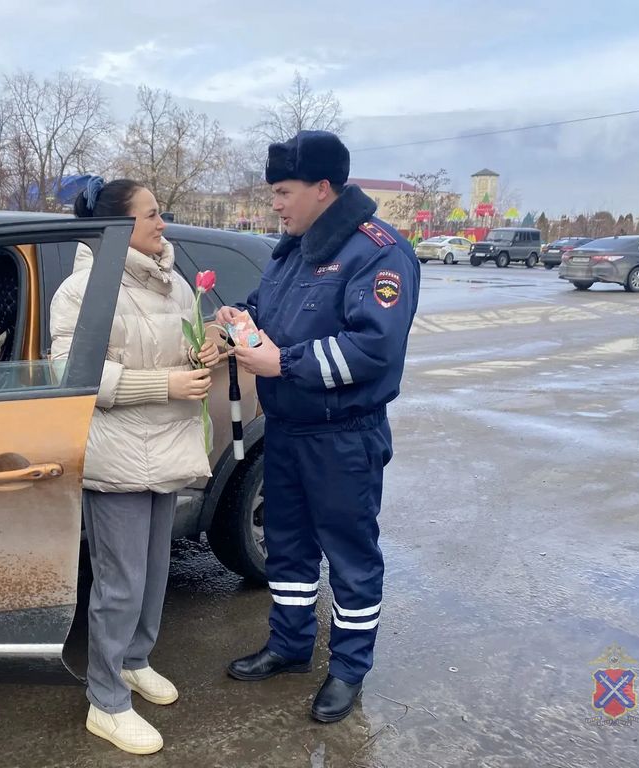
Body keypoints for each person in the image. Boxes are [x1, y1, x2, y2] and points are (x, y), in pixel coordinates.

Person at [215, 130, 420, 723]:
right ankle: (289, 645)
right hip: (286, 431)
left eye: (283, 192)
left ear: (322, 188)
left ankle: (349, 669)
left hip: (343, 436)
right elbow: (268, 308)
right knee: (287, 547)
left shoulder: (377, 252)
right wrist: (239, 319)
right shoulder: (294, 247)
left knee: (351, 558)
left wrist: (283, 363)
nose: (274, 204)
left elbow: (374, 348)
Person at [50, 176, 220, 755]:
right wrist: (164, 383)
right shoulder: (82, 291)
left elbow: (174, 348)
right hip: (118, 453)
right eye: (152, 215)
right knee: (119, 585)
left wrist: (203, 351)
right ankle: (105, 700)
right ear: (121, 226)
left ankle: (134, 661)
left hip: (166, 446)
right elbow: (73, 376)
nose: (162, 223)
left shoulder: (172, 285)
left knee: (152, 575)